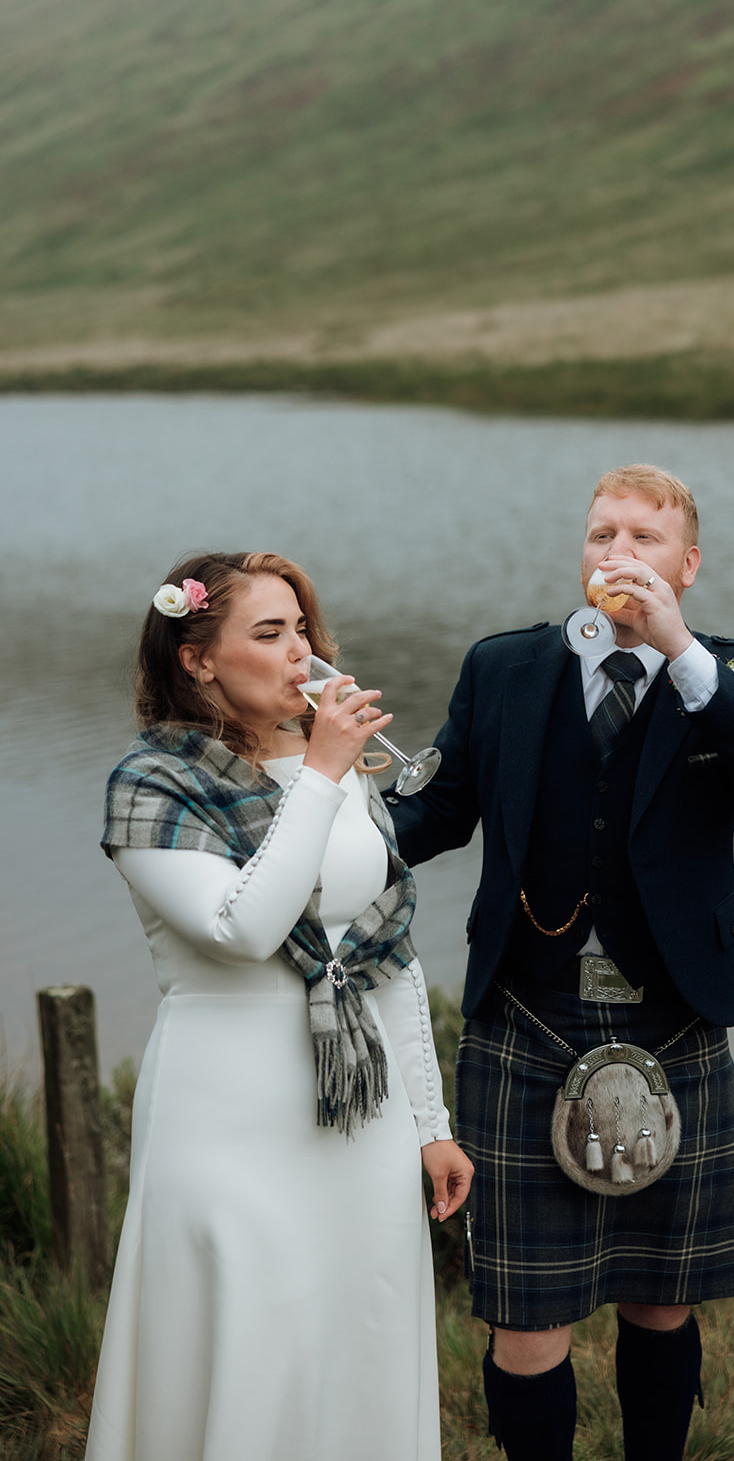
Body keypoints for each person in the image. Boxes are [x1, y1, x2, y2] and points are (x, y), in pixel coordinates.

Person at [386, 464, 734, 1461]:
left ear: (687, 563)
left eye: (642, 537)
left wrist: (679, 651)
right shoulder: (504, 667)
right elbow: (440, 811)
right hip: (528, 1011)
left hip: (674, 1009)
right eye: (600, 534)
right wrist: (323, 849)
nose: (617, 553)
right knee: (526, 1315)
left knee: (661, 1299)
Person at [86, 551, 473, 1461]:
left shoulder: (336, 768)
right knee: (247, 1337)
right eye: (268, 633)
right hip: (225, 1116)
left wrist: (430, 1125)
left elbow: (385, 955)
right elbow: (243, 927)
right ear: (197, 660)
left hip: (361, 1116)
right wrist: (324, 777)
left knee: (361, 1331)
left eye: (301, 629)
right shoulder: (152, 782)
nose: (301, 652)